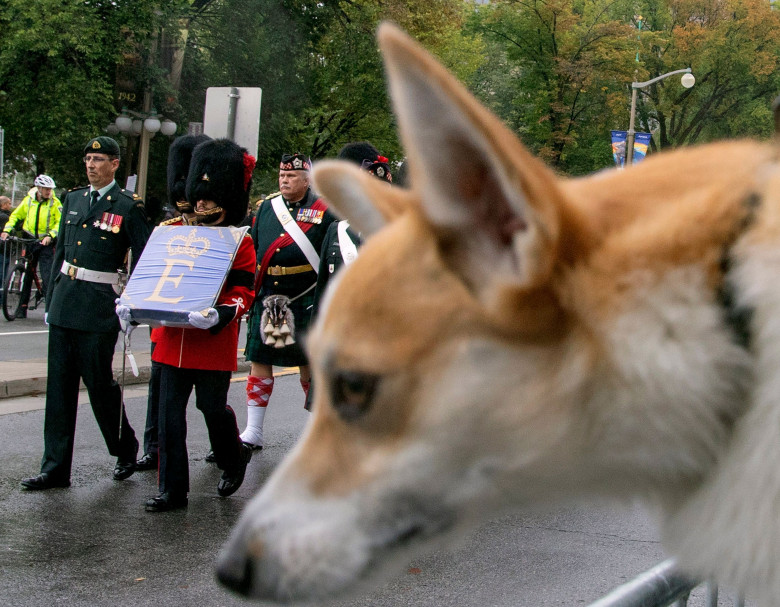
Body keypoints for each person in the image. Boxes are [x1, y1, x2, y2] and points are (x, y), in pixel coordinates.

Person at [125, 138, 256, 512]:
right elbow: (152, 278)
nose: (200, 202)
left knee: (212, 409)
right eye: (198, 196)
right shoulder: (170, 232)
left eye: (209, 196)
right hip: (170, 339)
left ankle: (233, 458)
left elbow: (244, 291)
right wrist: (130, 305)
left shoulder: (239, 242)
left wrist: (222, 313)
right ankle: (172, 490)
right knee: (169, 418)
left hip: (210, 339)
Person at [20, 136, 151, 490]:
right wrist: (51, 297)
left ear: (114, 164)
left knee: (99, 385)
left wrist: (132, 303)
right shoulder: (74, 198)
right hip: (66, 301)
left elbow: (143, 258)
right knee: (60, 389)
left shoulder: (127, 205)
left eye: (98, 159)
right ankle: (55, 468)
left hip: (98, 307)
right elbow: (62, 248)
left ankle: (125, 449)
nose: (91, 165)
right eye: (88, 158)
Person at [239, 153, 337, 449]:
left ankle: (313, 430)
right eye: (282, 175)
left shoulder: (324, 209)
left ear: (308, 178)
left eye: (292, 176)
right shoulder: (267, 208)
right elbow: (255, 249)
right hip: (273, 300)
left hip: (305, 297)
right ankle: (253, 430)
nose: (285, 180)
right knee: (262, 359)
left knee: (308, 366)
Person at [135, 133, 211, 473]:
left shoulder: (219, 228)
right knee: (160, 386)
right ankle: (154, 447)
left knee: (209, 397)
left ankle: (221, 445)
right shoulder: (168, 227)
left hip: (200, 318)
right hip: (166, 317)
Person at [0, 175, 62, 318]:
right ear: (39, 189)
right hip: (29, 240)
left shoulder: (55, 203)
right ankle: (22, 308)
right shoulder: (28, 201)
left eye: (51, 189)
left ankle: (50, 310)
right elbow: (15, 216)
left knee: (47, 275)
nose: (49, 192)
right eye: (46, 189)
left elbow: (60, 223)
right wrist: (6, 230)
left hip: (45, 242)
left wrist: (50, 236)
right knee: (27, 274)